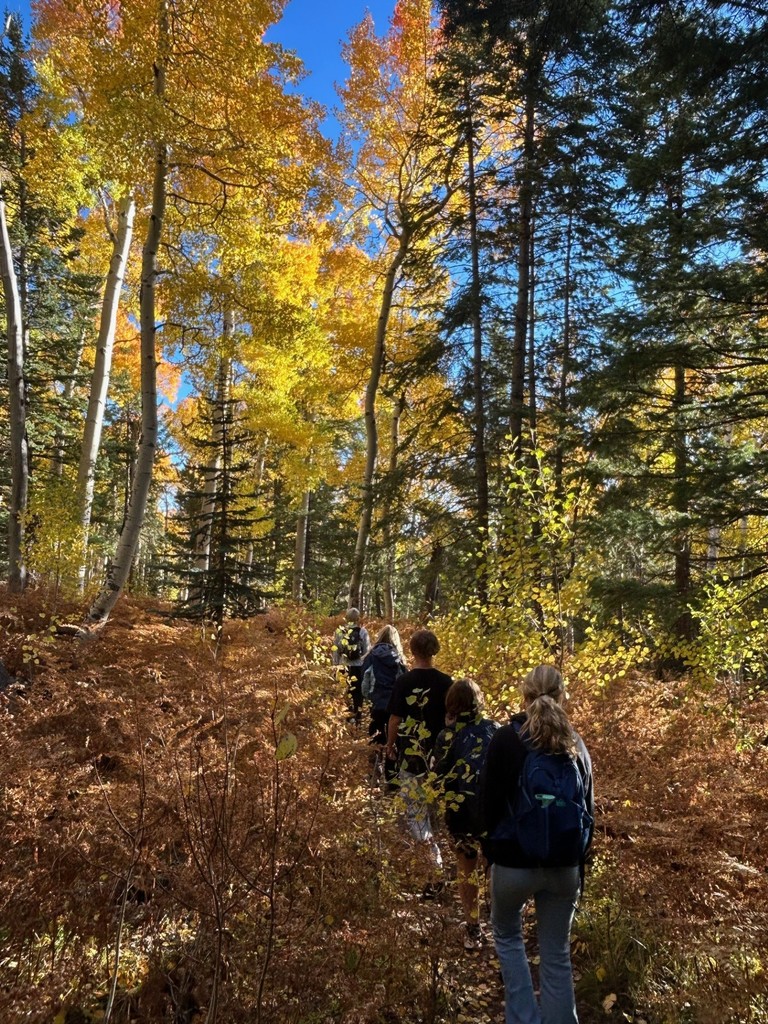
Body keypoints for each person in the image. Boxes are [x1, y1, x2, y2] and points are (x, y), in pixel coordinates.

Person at [481, 664, 594, 1024]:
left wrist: (488, 849)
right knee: (557, 952)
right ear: (563, 696)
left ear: (524, 696)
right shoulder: (575, 743)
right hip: (564, 866)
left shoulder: (505, 739)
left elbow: (487, 804)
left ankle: (524, 1018)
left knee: (507, 935)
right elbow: (588, 810)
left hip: (513, 864)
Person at [433, 678, 499, 950]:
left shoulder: (446, 736)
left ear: (451, 704)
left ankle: (473, 927)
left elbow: (438, 779)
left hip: (461, 812)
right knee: (493, 866)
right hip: (493, 811)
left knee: (466, 866)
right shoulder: (495, 729)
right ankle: (500, 922)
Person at [385, 628, 452, 887]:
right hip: (440, 759)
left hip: (412, 756)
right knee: (434, 812)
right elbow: (452, 722)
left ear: (412, 650)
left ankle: (433, 870)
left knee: (416, 813)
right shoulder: (447, 682)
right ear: (434, 650)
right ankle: (437, 864)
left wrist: (391, 745)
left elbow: (395, 718)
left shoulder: (404, 681)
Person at [361, 625, 407, 747]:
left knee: (377, 734)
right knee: (393, 739)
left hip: (377, 701)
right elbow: (404, 681)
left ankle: (376, 759)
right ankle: (390, 761)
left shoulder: (371, 655)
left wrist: (368, 697)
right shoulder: (398, 657)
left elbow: (365, 679)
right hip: (394, 704)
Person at [332, 608, 371, 724]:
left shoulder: (340, 632)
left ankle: (347, 716)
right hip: (358, 667)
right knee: (358, 692)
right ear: (358, 619)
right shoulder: (363, 632)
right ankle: (358, 715)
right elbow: (367, 651)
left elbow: (336, 651)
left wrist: (335, 666)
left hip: (344, 666)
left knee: (346, 691)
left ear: (346, 618)